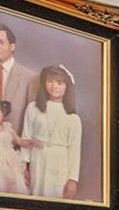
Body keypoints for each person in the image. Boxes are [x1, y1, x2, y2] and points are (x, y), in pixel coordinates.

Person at [21, 65, 82, 199]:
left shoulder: (73, 117)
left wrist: (73, 179)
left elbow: (74, 150)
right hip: (38, 159)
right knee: (36, 195)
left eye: (59, 83)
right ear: (44, 84)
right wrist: (24, 165)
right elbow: (26, 137)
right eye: (50, 81)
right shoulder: (33, 108)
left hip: (60, 162)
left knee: (56, 196)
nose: (54, 86)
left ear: (67, 86)